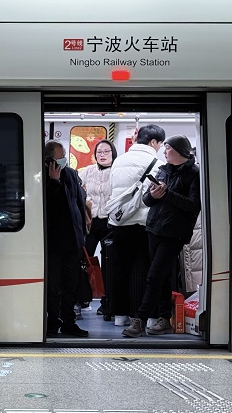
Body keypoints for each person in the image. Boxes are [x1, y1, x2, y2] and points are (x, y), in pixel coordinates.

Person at [123, 135, 201, 337]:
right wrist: (153, 195)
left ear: (180, 151)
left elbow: (193, 206)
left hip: (174, 233)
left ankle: (140, 320)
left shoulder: (194, 174)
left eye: (168, 148)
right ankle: (165, 318)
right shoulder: (163, 170)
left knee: (154, 276)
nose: (164, 151)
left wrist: (167, 194)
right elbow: (148, 201)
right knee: (162, 276)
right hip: (154, 229)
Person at [106, 124, 165, 327]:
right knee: (150, 272)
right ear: (153, 142)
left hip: (120, 222)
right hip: (145, 225)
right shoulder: (157, 163)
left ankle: (120, 315)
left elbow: (112, 188)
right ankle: (149, 318)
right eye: (160, 143)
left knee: (120, 271)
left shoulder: (119, 161)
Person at [44, 140, 89, 337]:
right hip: (53, 242)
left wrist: (83, 233)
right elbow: (47, 207)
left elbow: (79, 202)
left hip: (74, 240)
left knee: (71, 285)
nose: (63, 159)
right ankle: (52, 321)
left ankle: (69, 321)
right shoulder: (43, 176)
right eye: (60, 156)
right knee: (53, 286)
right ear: (49, 159)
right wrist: (53, 182)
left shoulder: (70, 174)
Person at [78, 139, 116, 318]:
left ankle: (107, 303)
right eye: (99, 152)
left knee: (110, 263)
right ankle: (82, 298)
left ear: (113, 153)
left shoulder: (117, 171)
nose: (102, 155)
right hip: (91, 222)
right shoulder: (87, 171)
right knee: (84, 260)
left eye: (106, 151)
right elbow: (79, 191)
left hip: (110, 222)